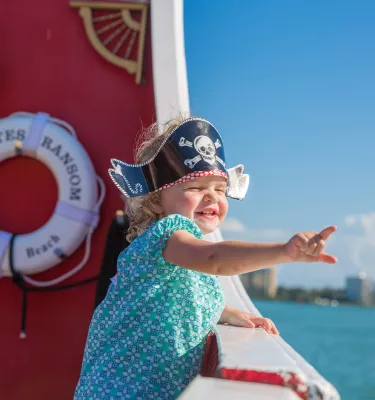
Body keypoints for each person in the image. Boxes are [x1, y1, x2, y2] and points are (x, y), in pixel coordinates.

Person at [74, 117, 337, 399]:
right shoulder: (166, 236)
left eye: (220, 189)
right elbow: (214, 258)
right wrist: (283, 252)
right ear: (156, 197)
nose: (212, 197)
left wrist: (225, 313)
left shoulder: (182, 254)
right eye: (195, 188)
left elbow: (176, 297)